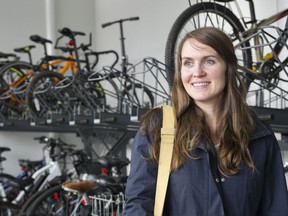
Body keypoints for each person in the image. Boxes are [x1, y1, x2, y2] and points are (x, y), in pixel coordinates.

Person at [122, 27, 288, 216]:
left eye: (209, 61)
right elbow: (138, 206)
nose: (197, 72)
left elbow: (276, 209)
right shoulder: (158, 127)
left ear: (228, 67)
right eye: (188, 63)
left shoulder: (259, 135)